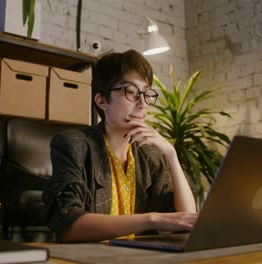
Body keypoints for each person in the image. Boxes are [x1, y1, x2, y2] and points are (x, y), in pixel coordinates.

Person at [42, 49, 197, 242]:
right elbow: (68, 225)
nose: (142, 104)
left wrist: (172, 156)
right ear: (102, 100)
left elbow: (187, 221)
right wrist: (152, 220)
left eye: (146, 94)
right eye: (131, 92)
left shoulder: (150, 156)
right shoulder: (74, 145)